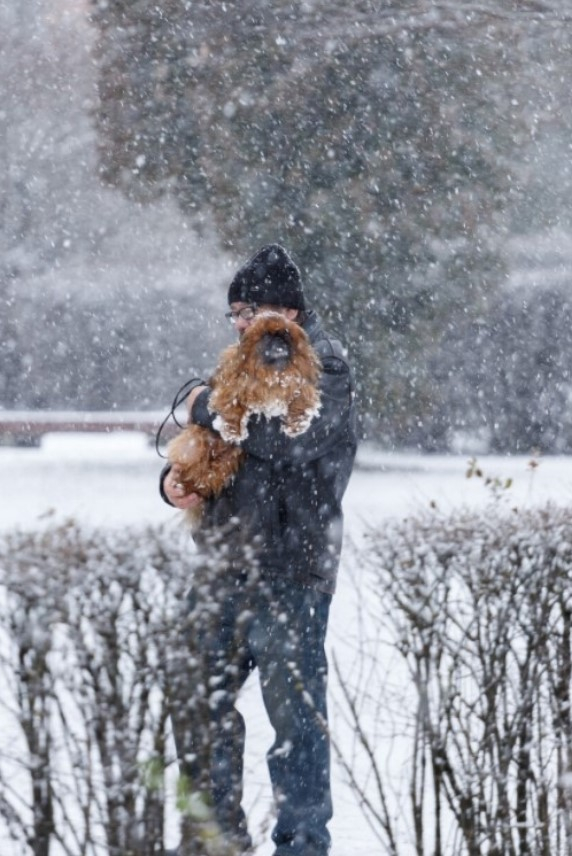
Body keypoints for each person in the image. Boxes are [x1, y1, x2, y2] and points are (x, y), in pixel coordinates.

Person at [160, 244, 358, 856]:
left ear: (290, 310)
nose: (243, 323)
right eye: (237, 313)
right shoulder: (240, 367)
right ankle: (216, 837)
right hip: (222, 563)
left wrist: (206, 405)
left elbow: (278, 437)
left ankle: (302, 845)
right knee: (197, 702)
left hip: (292, 571)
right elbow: (208, 435)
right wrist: (176, 481)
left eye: (253, 309)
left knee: (295, 723)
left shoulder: (326, 367)